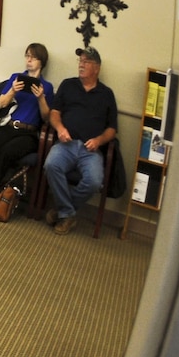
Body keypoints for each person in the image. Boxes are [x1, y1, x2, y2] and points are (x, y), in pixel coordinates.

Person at [44, 45, 120, 233]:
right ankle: (67, 213)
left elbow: (112, 129)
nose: (81, 65)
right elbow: (54, 113)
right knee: (51, 165)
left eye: (87, 61)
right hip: (66, 143)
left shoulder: (106, 94)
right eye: (80, 60)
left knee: (94, 181)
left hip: (91, 150)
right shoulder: (68, 85)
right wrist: (60, 129)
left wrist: (99, 141)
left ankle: (63, 211)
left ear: (97, 68)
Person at [0, 43, 54, 212]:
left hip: (29, 133)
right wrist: (12, 91)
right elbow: (0, 104)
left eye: (33, 57)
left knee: (7, 152)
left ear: (42, 62)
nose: (29, 60)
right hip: (9, 126)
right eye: (27, 56)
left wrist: (41, 98)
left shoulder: (46, 87)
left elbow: (47, 118)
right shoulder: (16, 78)